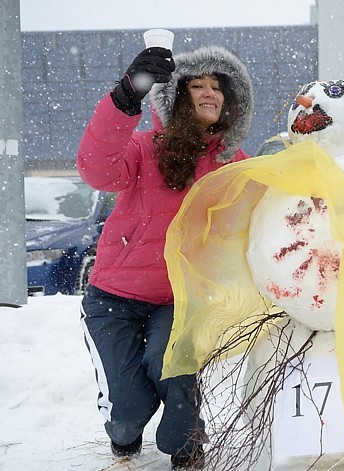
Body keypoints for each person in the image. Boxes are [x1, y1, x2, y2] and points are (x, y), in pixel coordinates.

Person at [77, 44, 254, 469]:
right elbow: (95, 169)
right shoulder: (142, 148)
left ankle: (187, 447)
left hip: (178, 299)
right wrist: (125, 97)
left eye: (218, 86)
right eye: (197, 85)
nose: (210, 93)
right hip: (113, 298)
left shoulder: (235, 166)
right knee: (127, 408)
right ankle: (124, 430)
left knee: (171, 367)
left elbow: (262, 220)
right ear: (176, 95)